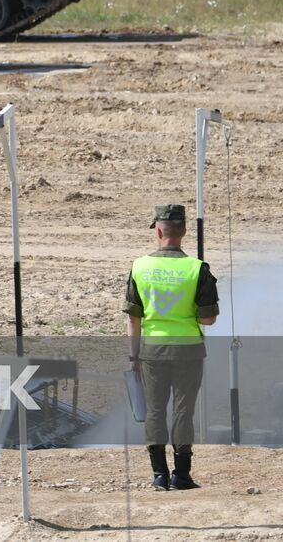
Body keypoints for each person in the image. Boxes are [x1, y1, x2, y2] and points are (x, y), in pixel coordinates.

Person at [124, 203, 219, 491]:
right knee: (183, 411)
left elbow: (133, 316)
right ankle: (182, 475)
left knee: (154, 411)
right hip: (188, 350)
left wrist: (133, 356)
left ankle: (159, 475)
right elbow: (209, 318)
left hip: (152, 350)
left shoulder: (140, 266)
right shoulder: (197, 269)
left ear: (158, 230)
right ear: (185, 231)